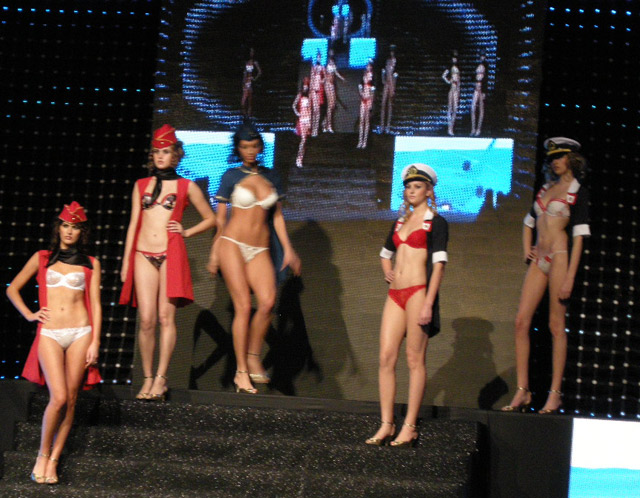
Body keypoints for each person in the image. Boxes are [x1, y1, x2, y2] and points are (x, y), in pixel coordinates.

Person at [7, 202, 102, 484]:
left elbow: (96, 305)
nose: (69, 231)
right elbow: (12, 289)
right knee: (58, 397)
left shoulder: (91, 263)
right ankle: (42, 454)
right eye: (65, 226)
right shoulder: (42, 258)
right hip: (50, 333)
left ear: (82, 232)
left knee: (71, 399)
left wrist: (95, 341)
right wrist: (29, 314)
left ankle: (54, 460)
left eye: (75, 227)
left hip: (81, 333)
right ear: (58, 228)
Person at [120, 124, 215, 401]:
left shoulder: (186, 186)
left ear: (175, 155)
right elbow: (134, 224)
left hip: (170, 254)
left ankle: (161, 378)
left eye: (166, 151)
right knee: (147, 320)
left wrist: (186, 231)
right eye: (156, 152)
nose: (160, 156)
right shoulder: (141, 185)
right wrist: (126, 261)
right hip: (142, 254)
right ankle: (147, 378)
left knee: (165, 317)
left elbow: (212, 219)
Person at [208, 121, 301, 394]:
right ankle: (240, 372)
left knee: (268, 302)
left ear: (261, 147)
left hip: (260, 248)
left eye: (254, 146)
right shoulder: (231, 176)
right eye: (244, 146)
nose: (250, 150)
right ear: (238, 148)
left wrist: (289, 249)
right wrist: (214, 251)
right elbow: (221, 220)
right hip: (232, 244)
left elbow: (278, 217)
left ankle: (252, 356)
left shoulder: (272, 176)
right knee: (243, 306)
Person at [501, 137, 590, 414]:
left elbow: (579, 238)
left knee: (555, 324)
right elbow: (528, 223)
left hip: (561, 256)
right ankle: (523, 390)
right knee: (521, 322)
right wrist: (527, 249)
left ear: (571, 159)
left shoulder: (577, 191)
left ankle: (555, 394)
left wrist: (570, 277)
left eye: (560, 157)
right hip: (539, 259)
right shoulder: (546, 189)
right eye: (552, 158)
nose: (555, 162)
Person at [366, 164, 448, 446]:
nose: (412, 191)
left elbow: (439, 266)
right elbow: (385, 253)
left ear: (429, 190)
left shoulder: (436, 222)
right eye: (408, 187)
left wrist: (428, 303)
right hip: (395, 294)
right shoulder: (400, 222)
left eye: (418, 187)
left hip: (418, 293)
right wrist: (387, 270)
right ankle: (387, 424)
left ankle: (410, 425)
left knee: (414, 359)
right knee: (386, 357)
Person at [322, 50, 345, 134]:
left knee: (332, 105)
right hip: (327, 84)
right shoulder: (327, 64)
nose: (332, 53)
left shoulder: (333, 63)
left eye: (333, 52)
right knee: (330, 105)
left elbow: (336, 73)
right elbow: (325, 75)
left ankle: (325, 122)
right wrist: (323, 81)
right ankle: (328, 125)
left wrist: (342, 78)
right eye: (331, 52)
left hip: (332, 85)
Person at [293, 77, 312, 168]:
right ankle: (299, 159)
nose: (305, 87)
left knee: (305, 140)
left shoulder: (309, 96)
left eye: (307, 86)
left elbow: (310, 109)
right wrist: (297, 113)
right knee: (303, 140)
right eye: (304, 85)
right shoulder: (300, 95)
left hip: (307, 119)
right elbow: (293, 105)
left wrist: (310, 122)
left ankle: (300, 159)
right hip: (302, 119)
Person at [357, 60, 375, 149]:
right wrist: (361, 93)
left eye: (370, 66)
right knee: (361, 120)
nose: (368, 67)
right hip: (363, 100)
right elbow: (360, 87)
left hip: (368, 101)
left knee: (367, 121)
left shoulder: (372, 77)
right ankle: (360, 141)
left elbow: (372, 92)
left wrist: (371, 102)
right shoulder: (363, 76)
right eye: (367, 65)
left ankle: (365, 141)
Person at [380, 46, 398, 134]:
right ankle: (382, 125)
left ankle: (388, 126)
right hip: (386, 84)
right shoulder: (387, 63)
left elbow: (394, 77)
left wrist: (393, 87)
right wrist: (383, 76)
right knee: (383, 105)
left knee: (390, 105)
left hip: (391, 85)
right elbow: (384, 78)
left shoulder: (394, 66)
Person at [442, 51, 460, 136]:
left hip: (456, 89)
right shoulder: (449, 67)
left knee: (455, 109)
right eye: (453, 58)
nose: (454, 59)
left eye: (455, 58)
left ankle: (451, 127)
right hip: (452, 88)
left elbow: (459, 79)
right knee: (450, 108)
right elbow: (443, 76)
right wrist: (449, 81)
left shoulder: (458, 67)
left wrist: (459, 89)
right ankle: (449, 128)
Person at [241, 48, 262, 117]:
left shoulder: (255, 62)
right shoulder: (246, 62)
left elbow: (259, 72)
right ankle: (245, 115)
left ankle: (248, 115)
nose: (251, 53)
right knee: (243, 102)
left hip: (250, 82)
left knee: (249, 101)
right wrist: (243, 82)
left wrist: (254, 78)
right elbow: (244, 73)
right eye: (250, 52)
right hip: (246, 82)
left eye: (252, 52)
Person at [309, 51, 326, 137]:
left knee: (317, 111)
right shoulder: (313, 68)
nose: (319, 58)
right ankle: (312, 129)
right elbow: (311, 79)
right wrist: (310, 91)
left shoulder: (322, 68)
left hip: (319, 91)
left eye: (320, 57)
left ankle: (316, 129)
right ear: (316, 58)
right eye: (318, 57)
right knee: (314, 110)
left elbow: (325, 78)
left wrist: (322, 81)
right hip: (313, 91)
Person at [470, 53, 486, 137]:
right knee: (473, 108)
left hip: (481, 89)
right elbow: (473, 76)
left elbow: (486, 79)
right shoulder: (477, 65)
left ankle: (479, 129)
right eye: (481, 56)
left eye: (483, 56)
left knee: (481, 109)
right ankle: (473, 128)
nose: (482, 57)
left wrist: (484, 92)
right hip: (476, 88)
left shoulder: (486, 66)